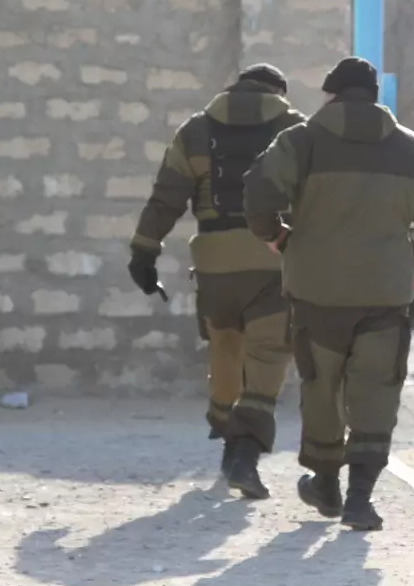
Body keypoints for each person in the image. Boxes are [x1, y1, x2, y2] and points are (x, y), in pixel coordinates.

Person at [243, 56, 414, 530]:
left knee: (322, 386)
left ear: (331, 95)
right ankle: (361, 497)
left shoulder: (300, 142)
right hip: (385, 291)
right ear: (376, 97)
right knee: (377, 387)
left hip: (316, 290)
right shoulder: (413, 149)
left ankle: (325, 482)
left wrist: (274, 235)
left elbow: (258, 190)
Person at [127, 63, 306, 500]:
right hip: (274, 259)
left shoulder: (196, 130)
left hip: (214, 265)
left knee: (225, 348)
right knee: (267, 356)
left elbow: (166, 197)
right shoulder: (296, 129)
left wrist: (144, 251)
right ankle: (244, 453)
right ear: (278, 93)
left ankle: (227, 430)